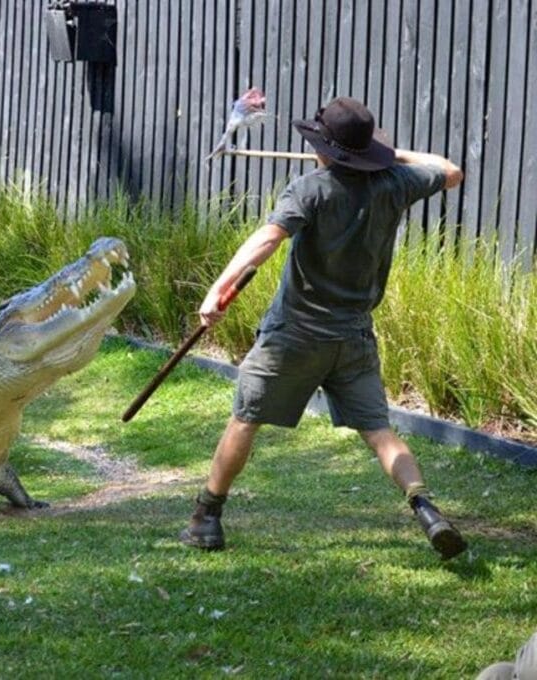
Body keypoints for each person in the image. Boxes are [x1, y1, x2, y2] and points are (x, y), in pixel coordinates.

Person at [178, 97, 468, 560]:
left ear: (326, 150)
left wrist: (219, 288)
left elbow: (269, 237)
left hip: (294, 334)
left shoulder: (310, 189)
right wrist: (393, 157)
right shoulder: (397, 183)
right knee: (379, 431)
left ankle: (206, 518)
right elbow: (451, 170)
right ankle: (426, 508)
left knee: (246, 419)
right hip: (353, 337)